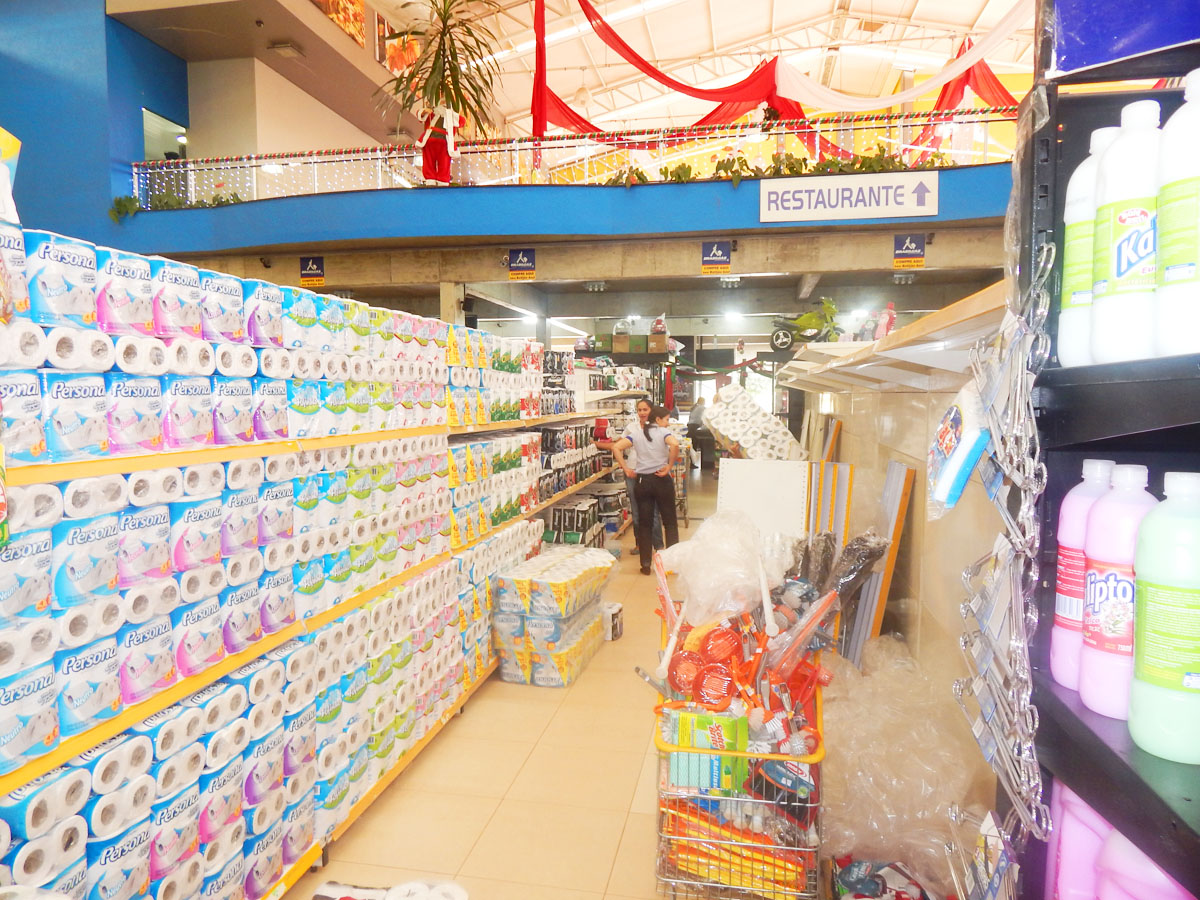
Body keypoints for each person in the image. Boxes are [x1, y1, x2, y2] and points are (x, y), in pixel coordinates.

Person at [611, 405, 681, 575]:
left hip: (643, 481)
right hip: (661, 480)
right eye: (666, 420)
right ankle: (672, 563)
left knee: (644, 524)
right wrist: (669, 466)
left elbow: (616, 447)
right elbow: (675, 444)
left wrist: (626, 469)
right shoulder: (663, 433)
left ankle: (645, 565)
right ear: (658, 419)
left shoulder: (636, 434)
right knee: (670, 522)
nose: (668, 423)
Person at [594, 399, 663, 555]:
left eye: (645, 409)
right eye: (639, 410)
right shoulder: (632, 428)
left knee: (653, 512)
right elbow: (616, 446)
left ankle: (658, 546)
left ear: (651, 410)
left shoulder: (658, 428)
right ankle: (640, 544)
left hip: (652, 473)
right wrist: (594, 443)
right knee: (636, 511)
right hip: (633, 472)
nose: (642, 413)